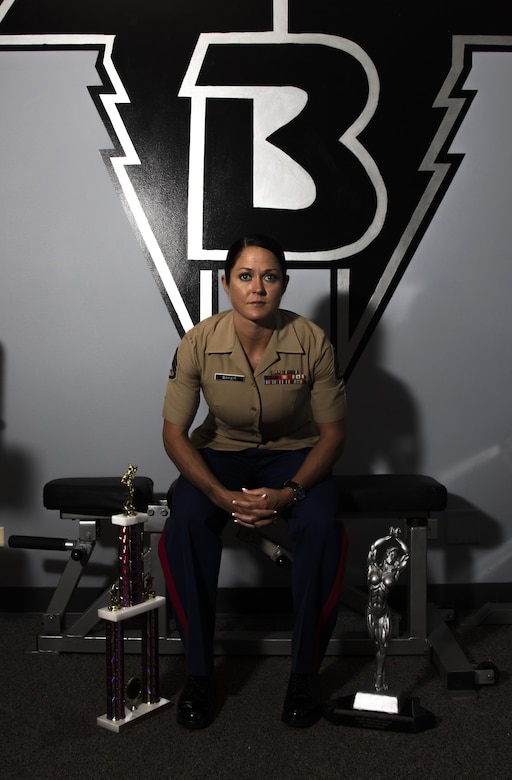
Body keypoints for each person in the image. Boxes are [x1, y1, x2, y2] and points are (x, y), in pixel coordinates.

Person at [158, 234, 347, 729]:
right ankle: (198, 673)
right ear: (226, 285)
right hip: (221, 455)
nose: (257, 287)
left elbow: (332, 436)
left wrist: (290, 494)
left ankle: (304, 674)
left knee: (322, 526)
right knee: (186, 526)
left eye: (270, 276)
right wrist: (218, 495)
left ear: (284, 285)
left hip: (293, 456)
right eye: (246, 276)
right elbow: (174, 436)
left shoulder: (312, 341)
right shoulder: (198, 341)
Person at [366, 528, 409, 691]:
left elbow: (407, 554)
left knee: (383, 647)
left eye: (395, 555)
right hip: (371, 610)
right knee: (376, 644)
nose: (393, 556)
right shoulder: (374, 568)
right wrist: (388, 537)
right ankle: (378, 678)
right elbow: (373, 548)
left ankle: (379, 678)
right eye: (391, 553)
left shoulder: (395, 572)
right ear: (386, 555)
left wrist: (398, 540)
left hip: (383, 612)